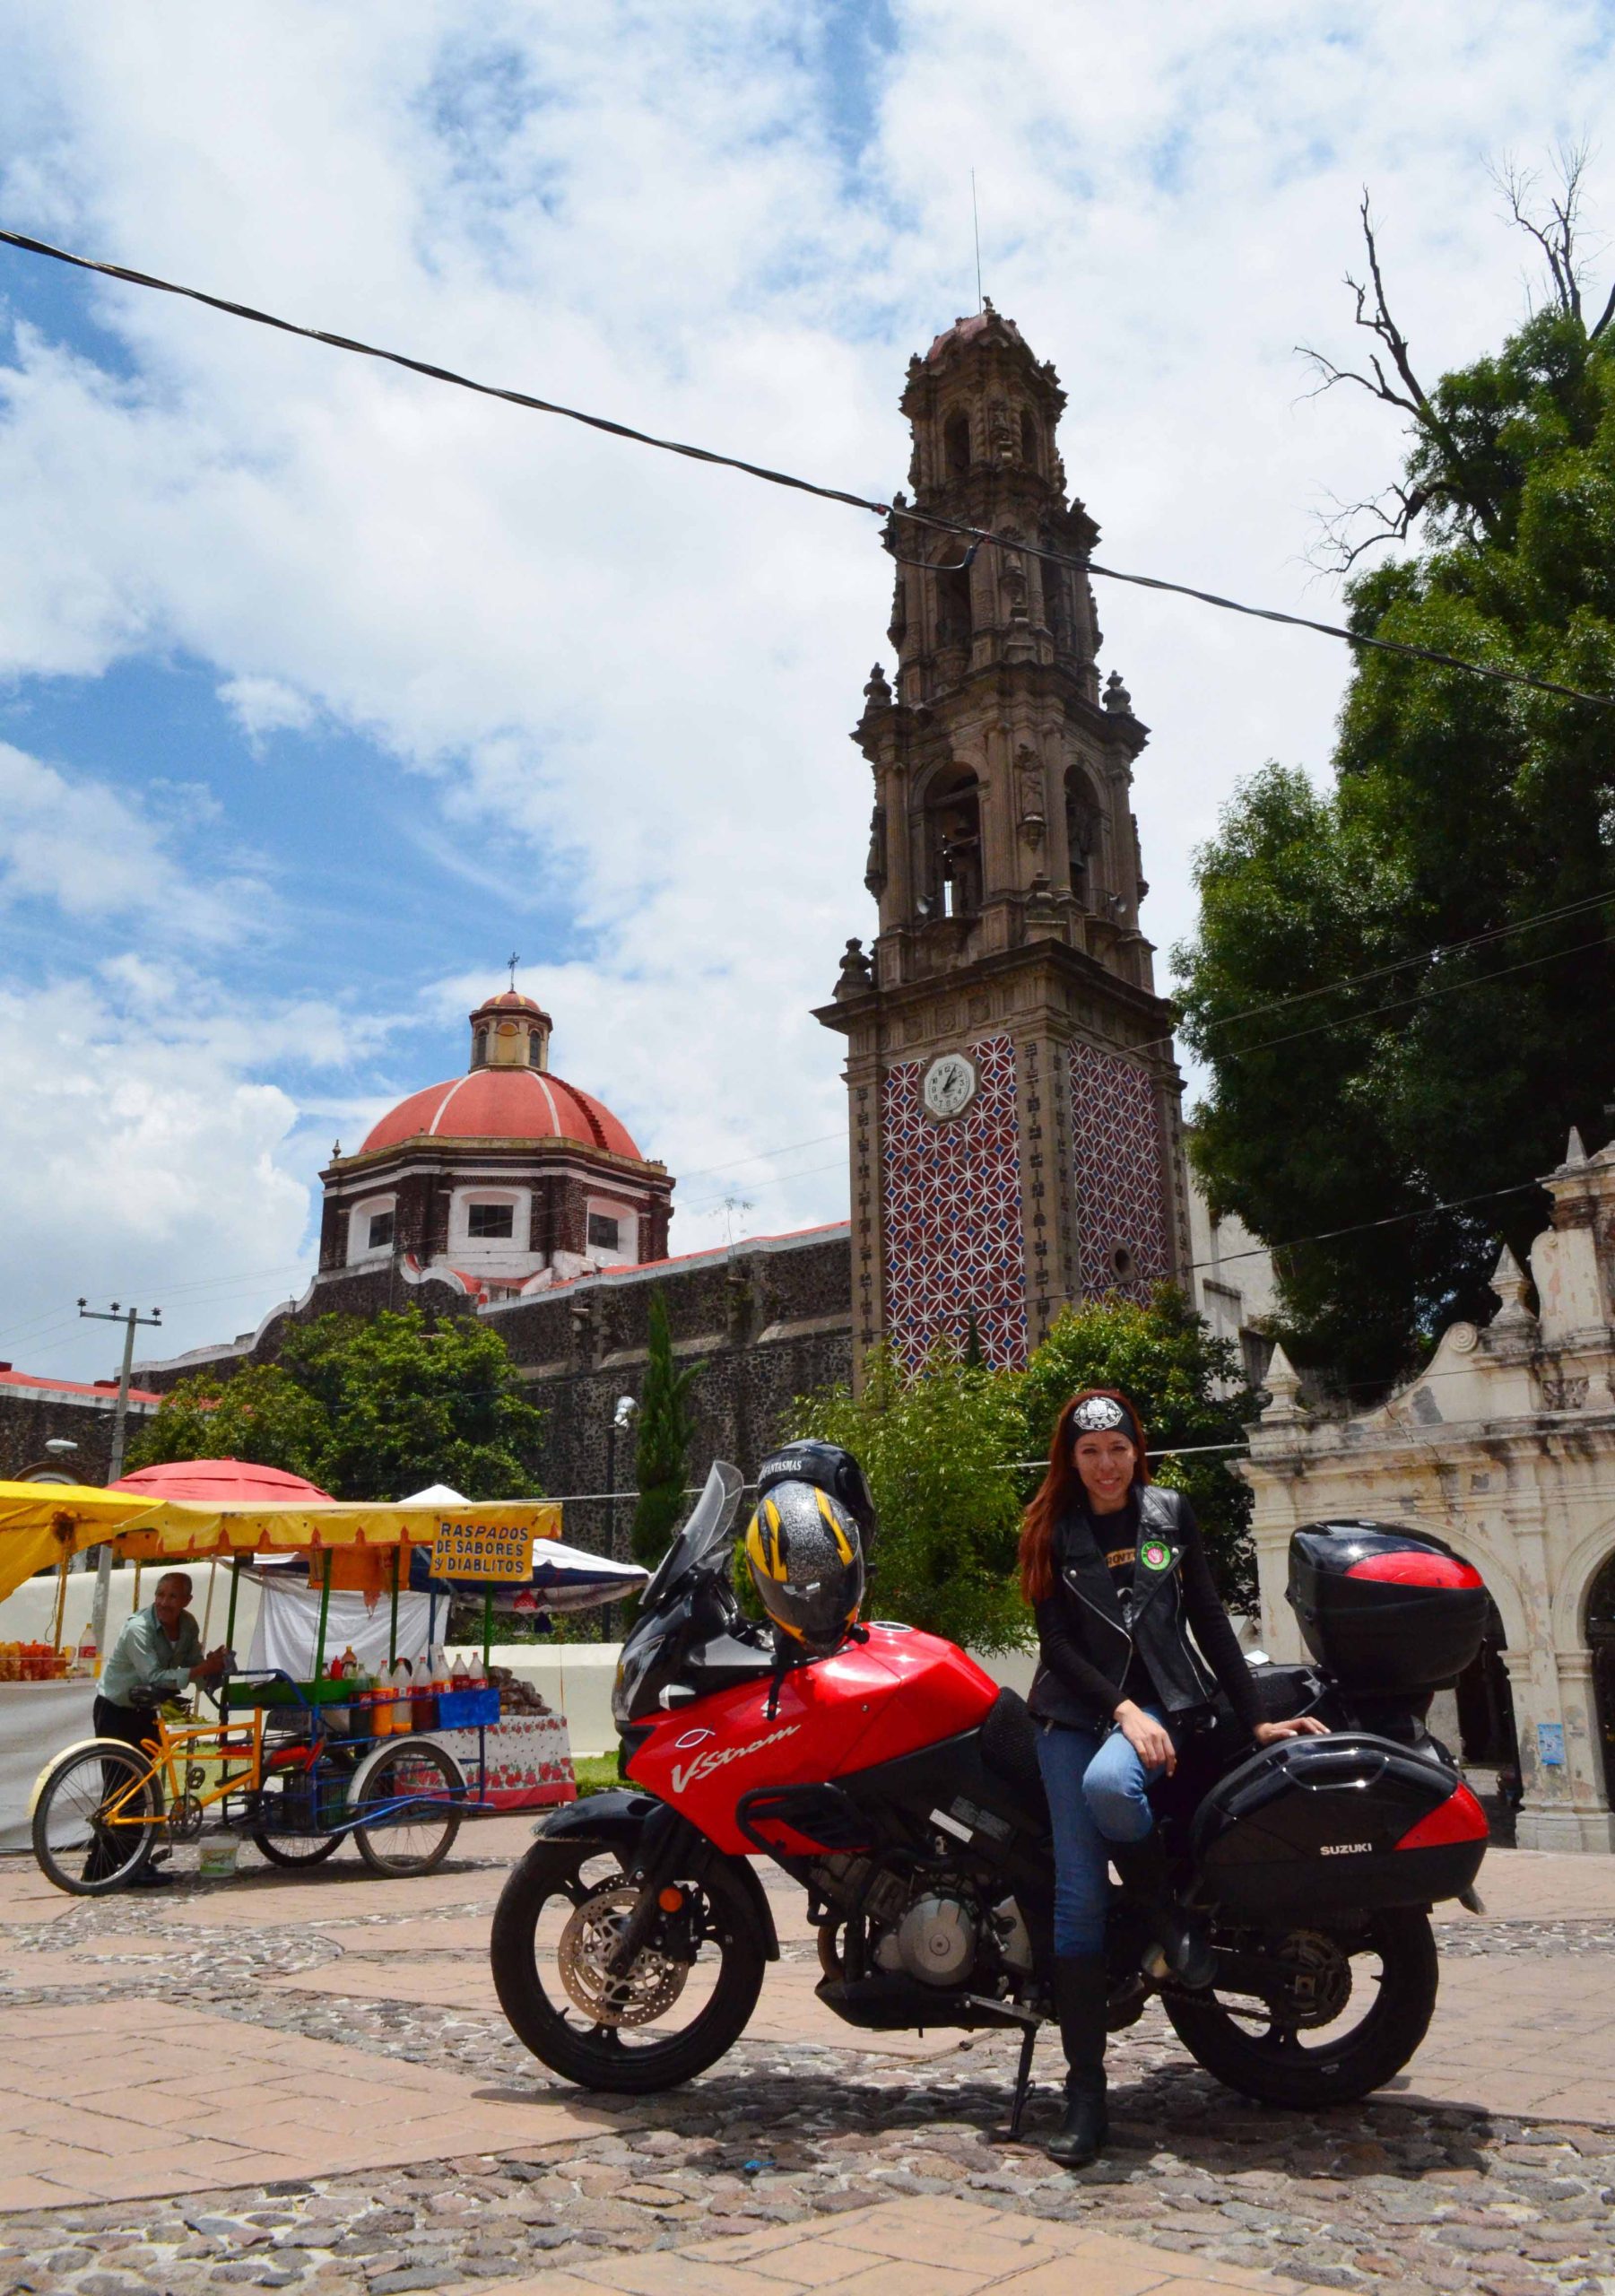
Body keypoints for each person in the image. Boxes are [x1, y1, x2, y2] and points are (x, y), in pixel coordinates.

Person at [1020, 1388, 1326, 2168]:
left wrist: (1254, 1716)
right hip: (1077, 1713)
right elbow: (1056, 1645)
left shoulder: (1168, 1513)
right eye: (1090, 1453)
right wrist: (1122, 1710)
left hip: (1165, 1703)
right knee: (1076, 1898)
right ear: (1071, 1458)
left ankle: (1166, 1915)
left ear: (1136, 1448)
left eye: (1117, 1448)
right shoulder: (1052, 1529)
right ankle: (1085, 2094)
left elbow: (1209, 1617)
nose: (1106, 1465)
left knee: (1107, 1789)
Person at [87, 1571, 226, 1886]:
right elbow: (153, 1675)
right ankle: (100, 1867)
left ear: (187, 1601)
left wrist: (214, 1667)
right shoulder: (138, 1629)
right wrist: (201, 1669)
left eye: (173, 1596)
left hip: (147, 1710)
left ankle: (132, 1864)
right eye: (160, 1594)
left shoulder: (188, 1625)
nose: (164, 1602)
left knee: (145, 1789)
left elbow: (193, 1666)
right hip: (117, 1709)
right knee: (121, 1789)